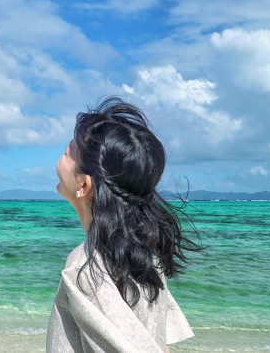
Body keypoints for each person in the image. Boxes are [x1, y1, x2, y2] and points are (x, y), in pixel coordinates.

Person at [47, 97, 202, 352]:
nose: (60, 158)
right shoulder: (146, 258)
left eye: (66, 153)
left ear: (83, 185)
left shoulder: (84, 267)